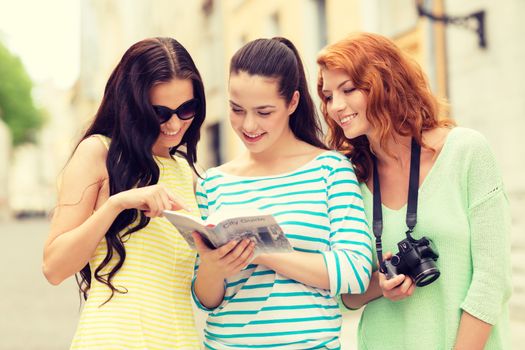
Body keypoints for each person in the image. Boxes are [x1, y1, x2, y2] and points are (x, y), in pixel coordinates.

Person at [317, 32, 511, 349]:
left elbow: (492, 280)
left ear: (386, 82)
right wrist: (380, 285)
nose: (336, 106)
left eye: (348, 89)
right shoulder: (348, 177)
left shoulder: (466, 151)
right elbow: (345, 297)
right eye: (327, 96)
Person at [191, 37, 373, 349]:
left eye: (264, 112)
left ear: (292, 102)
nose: (248, 124)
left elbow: (355, 271)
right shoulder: (214, 183)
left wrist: (264, 251)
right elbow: (206, 301)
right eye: (237, 109)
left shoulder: (329, 170)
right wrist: (212, 266)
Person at [42, 37, 206, 349]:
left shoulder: (187, 173)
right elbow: (53, 267)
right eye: (160, 112)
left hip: (180, 340)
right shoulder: (98, 153)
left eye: (187, 108)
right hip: (114, 339)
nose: (174, 124)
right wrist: (117, 203)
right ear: (134, 106)